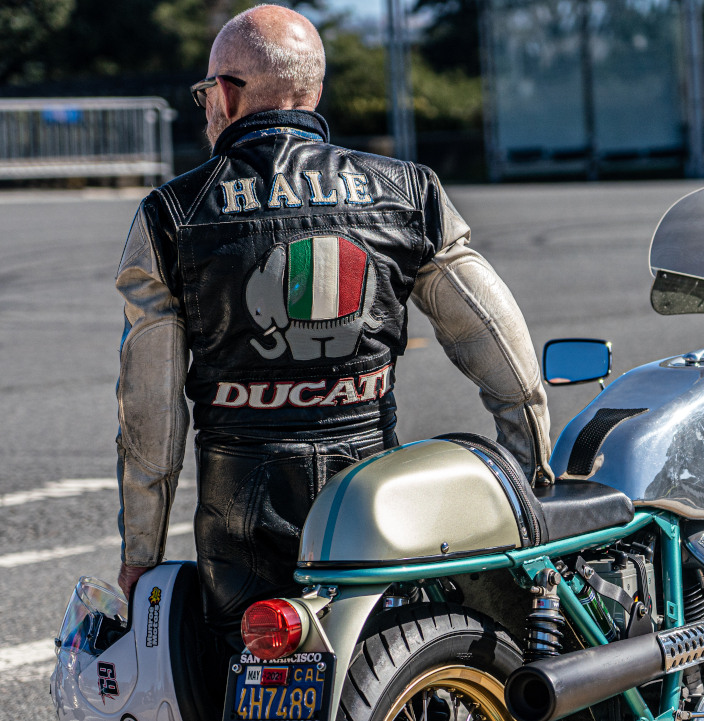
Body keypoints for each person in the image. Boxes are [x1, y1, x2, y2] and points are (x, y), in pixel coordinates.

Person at [113, 4, 553, 652]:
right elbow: (505, 358)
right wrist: (531, 483)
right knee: (402, 654)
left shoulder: (172, 214)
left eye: (207, 92)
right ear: (313, 92)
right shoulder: (409, 192)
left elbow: (150, 420)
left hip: (242, 516)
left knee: (239, 671)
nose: (206, 107)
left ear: (227, 96)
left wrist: (140, 557)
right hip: (373, 505)